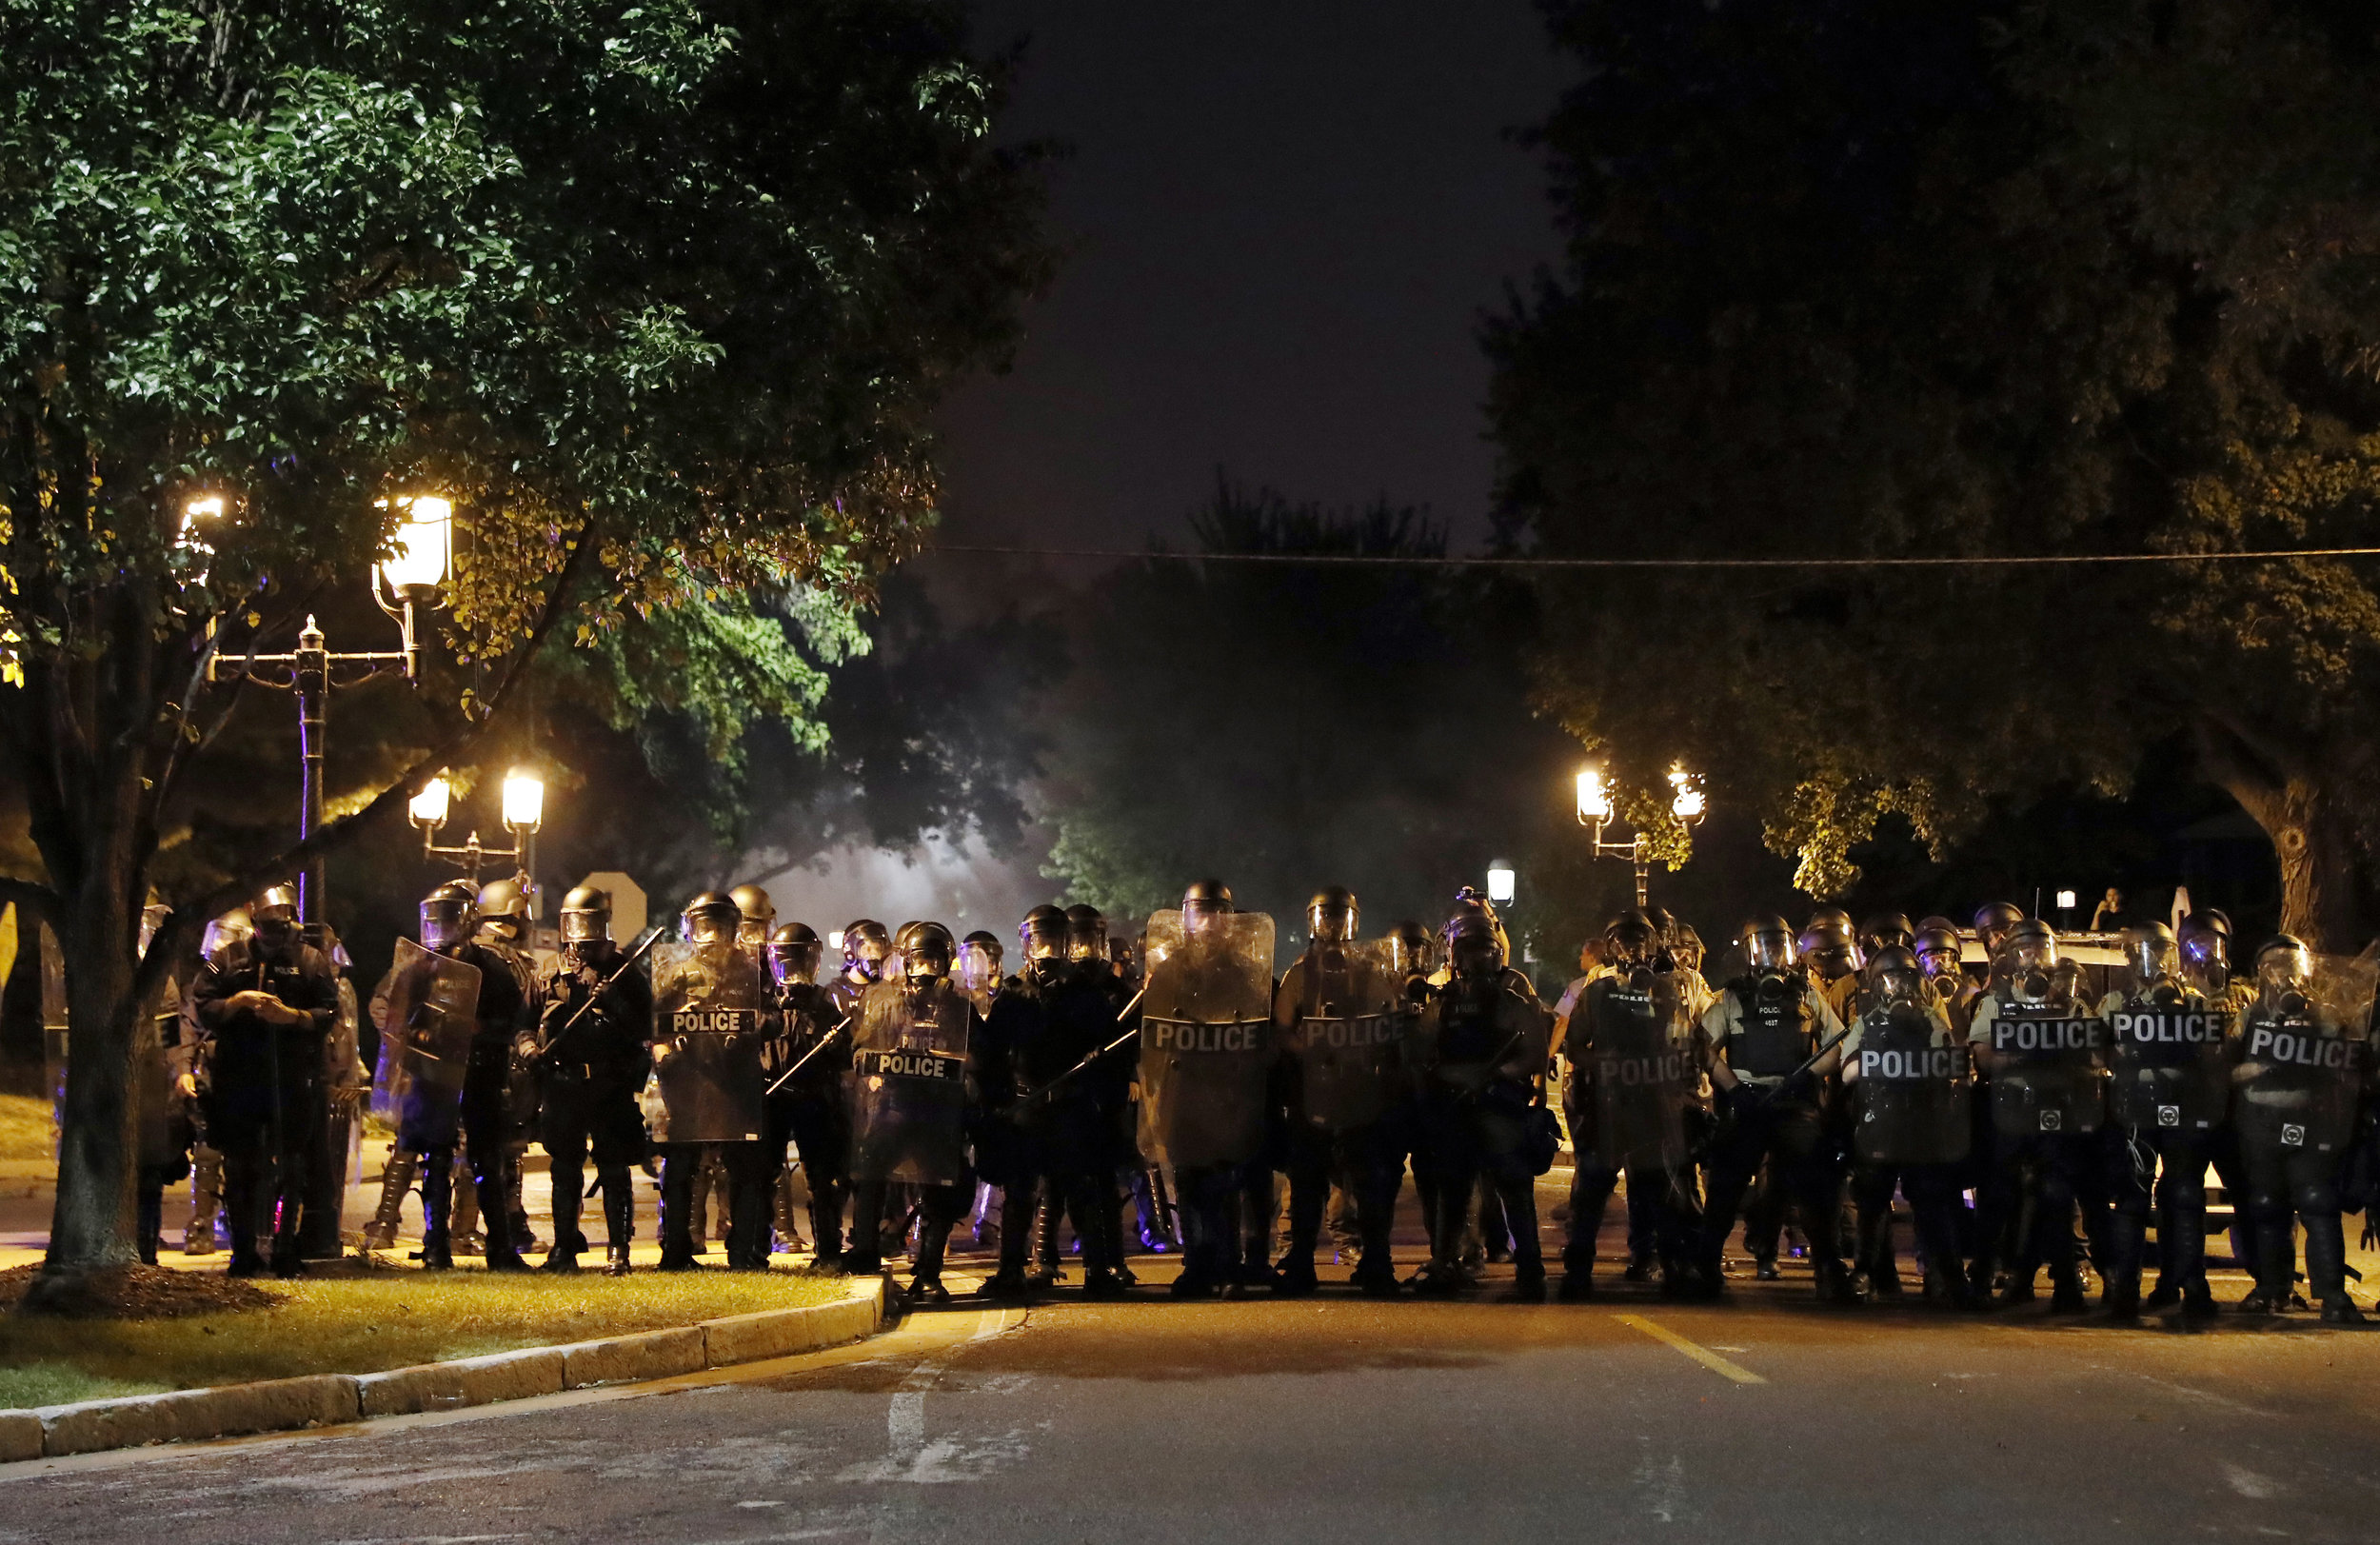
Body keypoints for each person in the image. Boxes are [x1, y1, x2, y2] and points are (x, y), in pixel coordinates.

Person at [1698, 915, 1854, 1302]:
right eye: (1763, 946)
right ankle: (1705, 1269)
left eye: (1778, 945)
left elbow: (1836, 1044)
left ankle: (1828, 1270)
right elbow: (1703, 1050)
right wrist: (1734, 1090)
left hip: (1795, 1103)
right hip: (1748, 1102)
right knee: (1725, 1188)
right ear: (1749, 952)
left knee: (1816, 1187)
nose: (1772, 954)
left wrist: (1809, 1075)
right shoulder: (1730, 997)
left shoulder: (1807, 995)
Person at [188, 885, 341, 1277]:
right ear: (254, 921)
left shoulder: (311, 960)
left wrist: (292, 1017)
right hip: (239, 1078)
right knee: (239, 1167)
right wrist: (237, 1002)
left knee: (292, 1166)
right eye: (268, 926)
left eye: (282, 925)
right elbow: (202, 1006)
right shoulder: (229, 959)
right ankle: (243, 1252)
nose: (275, 934)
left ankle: (285, 1249)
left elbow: (328, 1011)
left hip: (292, 1077)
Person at [983, 905, 1133, 1299]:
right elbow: (992, 1053)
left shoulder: (1087, 996)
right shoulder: (1013, 994)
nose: (1047, 950)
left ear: (1067, 943)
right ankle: (1010, 1270)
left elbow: (1115, 1056)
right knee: (1019, 1193)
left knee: (1082, 1192)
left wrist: (1106, 1091)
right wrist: (994, 1102)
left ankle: (1097, 1270)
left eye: (1054, 941)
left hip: (1072, 1107)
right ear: (1027, 943)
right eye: (1040, 941)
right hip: (1026, 1108)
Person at [1140, 880, 1276, 1297]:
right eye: (1202, 912)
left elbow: (1261, 1032)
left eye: (1217, 912)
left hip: (1225, 1092)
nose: (1210, 921)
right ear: (1186, 917)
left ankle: (1228, 1263)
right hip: (1184, 1092)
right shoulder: (1169, 969)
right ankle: (1197, 1263)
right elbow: (1150, 1033)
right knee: (1188, 1182)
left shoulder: (1245, 971)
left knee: (1224, 1180)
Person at [1274, 886, 1409, 1297]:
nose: (1332, 927)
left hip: (1359, 1091)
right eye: (1325, 917)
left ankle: (1376, 1261)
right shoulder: (1300, 975)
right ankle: (1300, 1261)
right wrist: (1310, 1052)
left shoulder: (1370, 973)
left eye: (1340, 917)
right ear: (1313, 921)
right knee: (1308, 1183)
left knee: (1371, 1184)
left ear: (1353, 922)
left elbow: (1388, 1024)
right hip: (1312, 1092)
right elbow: (1282, 1029)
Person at [1968, 920, 2109, 1312]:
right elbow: (1981, 1054)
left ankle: (2062, 1280)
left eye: (2040, 948)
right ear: (2012, 957)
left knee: (2056, 1195)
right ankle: (1982, 1278)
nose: (2033, 956)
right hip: (2011, 1109)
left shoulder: (2071, 999)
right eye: (2025, 949)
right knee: (1998, 1198)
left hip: (2060, 1111)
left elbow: (2097, 1055)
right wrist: (2015, 1057)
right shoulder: (1995, 1001)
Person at [1561, 912, 1702, 1298]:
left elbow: (1685, 1041)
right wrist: (1604, 1064)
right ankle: (1578, 1271)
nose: (1633, 948)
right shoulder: (1596, 993)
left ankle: (1672, 1266)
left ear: (1655, 945)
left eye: (1640, 939)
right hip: (1608, 1106)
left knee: (1661, 1192)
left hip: (1653, 1106)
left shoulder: (1668, 990)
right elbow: (1574, 1047)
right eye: (1623, 940)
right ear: (1610, 948)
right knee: (1591, 1193)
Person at [843, 921, 985, 1302]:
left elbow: (981, 1059)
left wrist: (955, 1061)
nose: (925, 971)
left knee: (938, 1190)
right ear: (906, 963)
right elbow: (859, 1049)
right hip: (894, 1108)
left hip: (938, 1114)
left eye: (934, 963)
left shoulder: (960, 1009)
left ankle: (928, 1273)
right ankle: (866, 1253)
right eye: (919, 962)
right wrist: (872, 1068)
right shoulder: (886, 1003)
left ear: (947, 964)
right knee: (869, 1170)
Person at [2231, 936, 2370, 1322]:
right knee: (2267, 1206)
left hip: (2310, 1124)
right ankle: (2273, 1287)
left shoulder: (2323, 1014)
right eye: (2275, 967)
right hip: (2261, 1123)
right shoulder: (2250, 1017)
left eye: (2290, 966)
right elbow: (2227, 1067)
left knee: (2318, 1204)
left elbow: (2346, 1065)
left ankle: (2333, 1296)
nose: (2284, 975)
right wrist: (2258, 1069)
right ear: (2263, 974)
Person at [1414, 914, 1551, 1300]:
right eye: (1470, 951)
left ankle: (1530, 1269)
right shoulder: (1443, 1004)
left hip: (1500, 1105)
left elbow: (1534, 1054)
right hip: (1456, 1109)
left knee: (1514, 1189)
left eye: (1486, 950)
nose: (1478, 960)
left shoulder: (1511, 1002)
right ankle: (1444, 1264)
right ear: (1455, 956)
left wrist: (1497, 1076)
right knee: (1453, 1191)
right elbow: (1422, 1054)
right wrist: (1448, 1079)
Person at [2097, 921, 2226, 1319]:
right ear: (2132, 959)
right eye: (2145, 952)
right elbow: (2096, 1056)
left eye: (2161, 951)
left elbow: (2214, 1056)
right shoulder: (2115, 1002)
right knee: (2134, 1196)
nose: (2154, 961)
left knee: (2184, 1195)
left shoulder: (2195, 1001)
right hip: (2135, 1108)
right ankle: (2126, 1287)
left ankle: (2188, 1283)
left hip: (2184, 1108)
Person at [1840, 945, 1975, 1306]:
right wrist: (1880, 1063)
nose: (1898, 987)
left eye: (1905, 979)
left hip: (1922, 1119)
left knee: (1932, 1196)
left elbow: (1950, 1061)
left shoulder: (1931, 1017)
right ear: (1877, 985)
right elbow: (1848, 1069)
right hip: (1881, 1119)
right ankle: (1865, 1272)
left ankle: (1949, 1276)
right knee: (1872, 1197)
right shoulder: (1866, 1022)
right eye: (1890, 980)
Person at [533, 885, 653, 1274]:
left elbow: (646, 1027)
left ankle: (619, 1250)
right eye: (576, 923)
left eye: (591, 924)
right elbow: (523, 1024)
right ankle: (563, 1248)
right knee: (564, 1167)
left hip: (610, 1085)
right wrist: (526, 1051)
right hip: (564, 1085)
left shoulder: (624, 971)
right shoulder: (550, 972)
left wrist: (613, 1000)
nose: (583, 934)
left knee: (614, 1167)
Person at [650, 891, 770, 1270]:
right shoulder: (674, 973)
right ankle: (676, 1251)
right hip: (688, 1084)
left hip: (736, 1085)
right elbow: (651, 1024)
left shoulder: (753, 971)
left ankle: (743, 1252)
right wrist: (666, 1046)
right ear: (691, 929)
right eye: (706, 927)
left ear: (735, 930)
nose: (714, 936)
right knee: (681, 1168)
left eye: (721, 927)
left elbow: (777, 1017)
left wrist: (747, 1027)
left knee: (745, 1170)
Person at [764, 921, 851, 1269]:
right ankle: (753, 1250)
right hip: (772, 1099)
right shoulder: (765, 1004)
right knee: (763, 1175)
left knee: (821, 1178)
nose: (794, 971)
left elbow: (844, 1059)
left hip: (814, 1100)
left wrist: (833, 1041)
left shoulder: (827, 1008)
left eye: (801, 961)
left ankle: (828, 1252)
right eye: (787, 962)